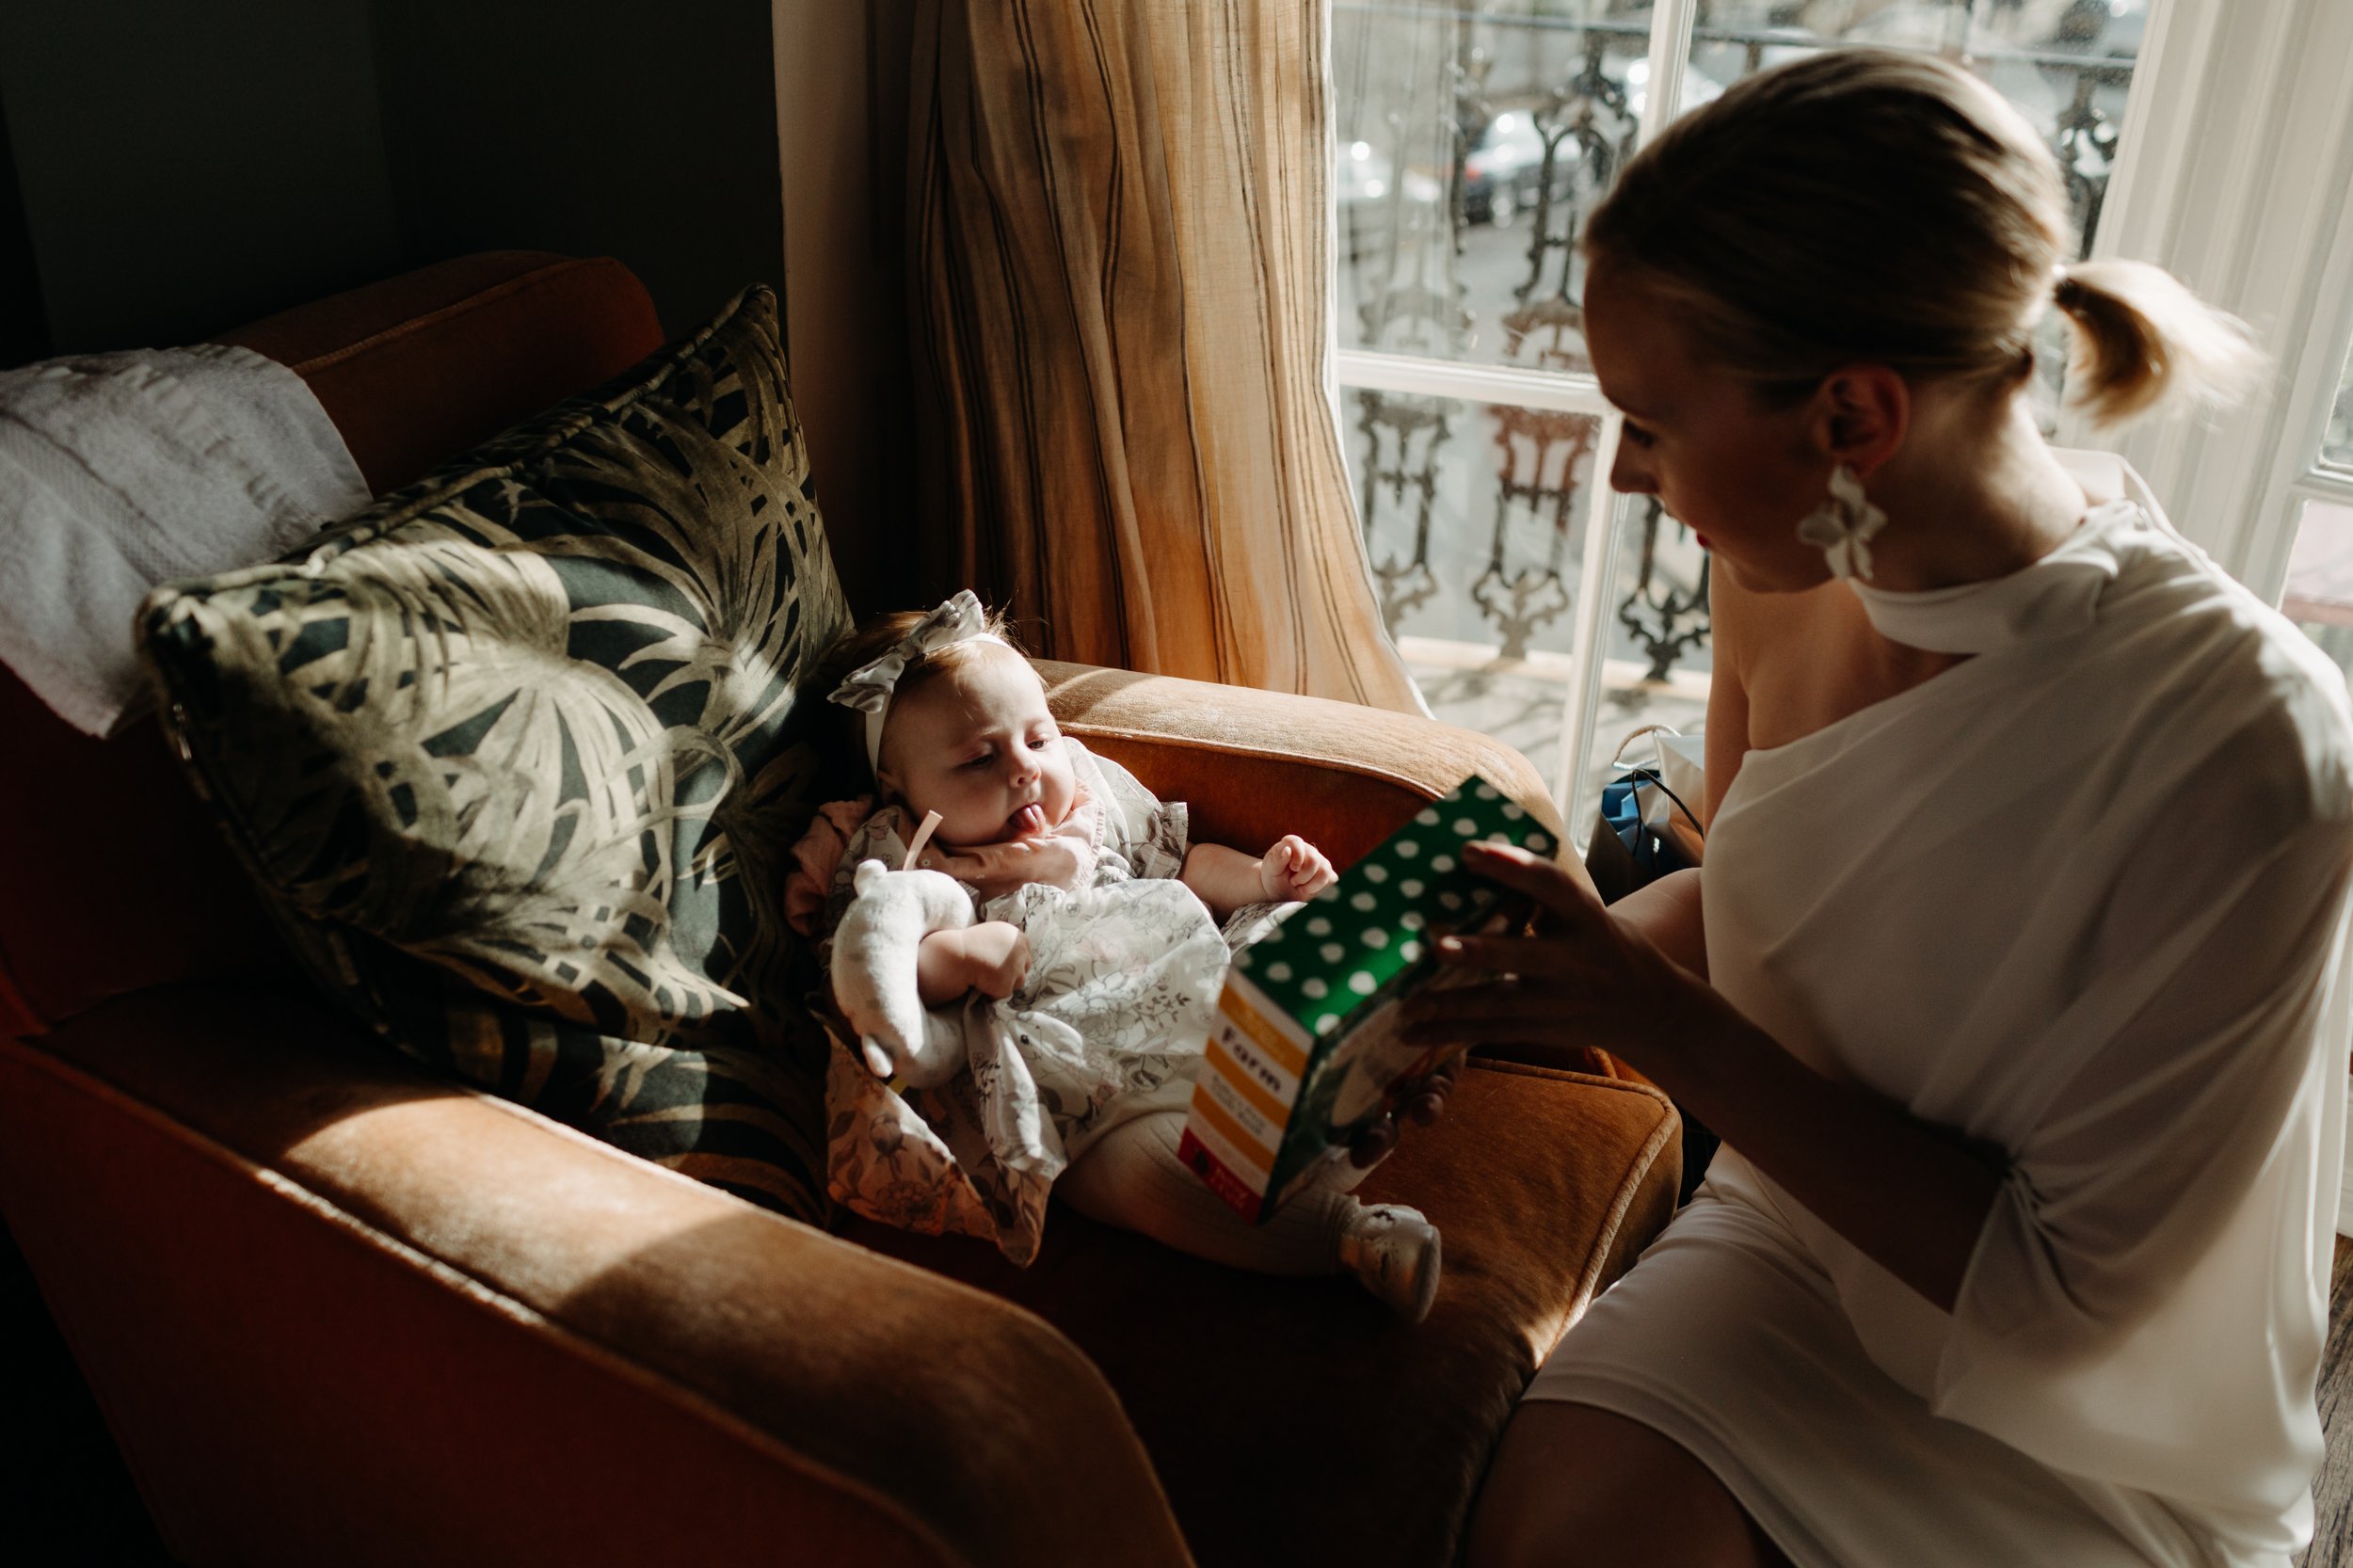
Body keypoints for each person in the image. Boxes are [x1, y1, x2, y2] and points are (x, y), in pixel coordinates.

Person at [1397, 49, 2353, 1568]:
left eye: (1650, 419)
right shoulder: (1773, 565)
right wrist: (1488, 989)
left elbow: (2065, 1303)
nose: (1625, 473)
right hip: (1802, 1236)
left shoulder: (2254, 752)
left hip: (2077, 1388)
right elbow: (1776, 892)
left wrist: (1646, 1014)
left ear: (1851, 415)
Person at [788, 591, 1444, 1319]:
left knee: (1288, 929)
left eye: (1037, 738)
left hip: (1204, 993)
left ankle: (1376, 1059)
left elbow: (1183, 864)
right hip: (1079, 1073)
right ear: (898, 786)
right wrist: (962, 954)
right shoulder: (903, 854)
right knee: (1141, 1179)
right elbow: (878, 978)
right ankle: (1351, 1236)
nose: (1024, 770)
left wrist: (1260, 877)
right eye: (979, 758)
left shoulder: (1092, 797)